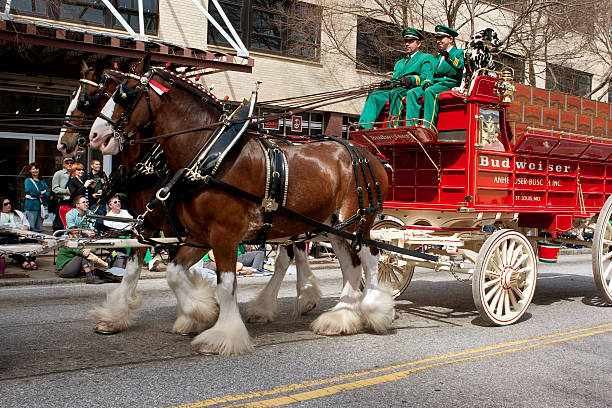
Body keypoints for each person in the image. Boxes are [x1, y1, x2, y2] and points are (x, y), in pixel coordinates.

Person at [358, 27, 432, 130]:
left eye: (410, 41)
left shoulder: (425, 58)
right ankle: (364, 126)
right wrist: (387, 83)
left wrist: (411, 79)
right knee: (374, 95)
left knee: (396, 94)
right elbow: (395, 78)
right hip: (396, 88)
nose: (407, 44)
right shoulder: (399, 63)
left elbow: (426, 76)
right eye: (406, 41)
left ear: (418, 44)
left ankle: (393, 126)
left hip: (410, 89)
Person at [420, 25, 464, 130]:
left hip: (450, 83)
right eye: (437, 38)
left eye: (441, 38)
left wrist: (448, 56)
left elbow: (460, 66)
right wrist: (426, 82)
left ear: (450, 39)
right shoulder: (437, 57)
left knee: (430, 91)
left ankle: (428, 127)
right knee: (412, 93)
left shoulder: (459, 53)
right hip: (436, 84)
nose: (438, 41)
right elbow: (430, 72)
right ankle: (411, 127)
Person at [0, 197, 38, 270]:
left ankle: (31, 260)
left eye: (9, 203)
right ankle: (23, 261)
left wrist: (24, 229)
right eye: (6, 204)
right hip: (6, 237)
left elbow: (26, 224)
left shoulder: (17, 212)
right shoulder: (0, 215)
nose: (8, 205)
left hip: (21, 234)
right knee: (14, 243)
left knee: (34, 241)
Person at [24, 162, 50, 232]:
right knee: (31, 227)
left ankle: (38, 241)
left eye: (37, 168)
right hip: (31, 206)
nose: (36, 170)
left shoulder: (42, 181)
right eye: (33, 169)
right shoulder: (28, 180)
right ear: (30, 170)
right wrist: (42, 192)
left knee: (39, 227)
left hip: (41, 207)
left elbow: (48, 192)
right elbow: (32, 192)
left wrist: (42, 193)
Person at [52, 157, 73, 230]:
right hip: (62, 200)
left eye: (71, 163)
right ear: (63, 164)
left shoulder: (75, 173)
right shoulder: (59, 174)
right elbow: (54, 188)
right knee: (60, 220)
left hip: (72, 201)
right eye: (67, 163)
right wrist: (65, 191)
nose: (69, 164)